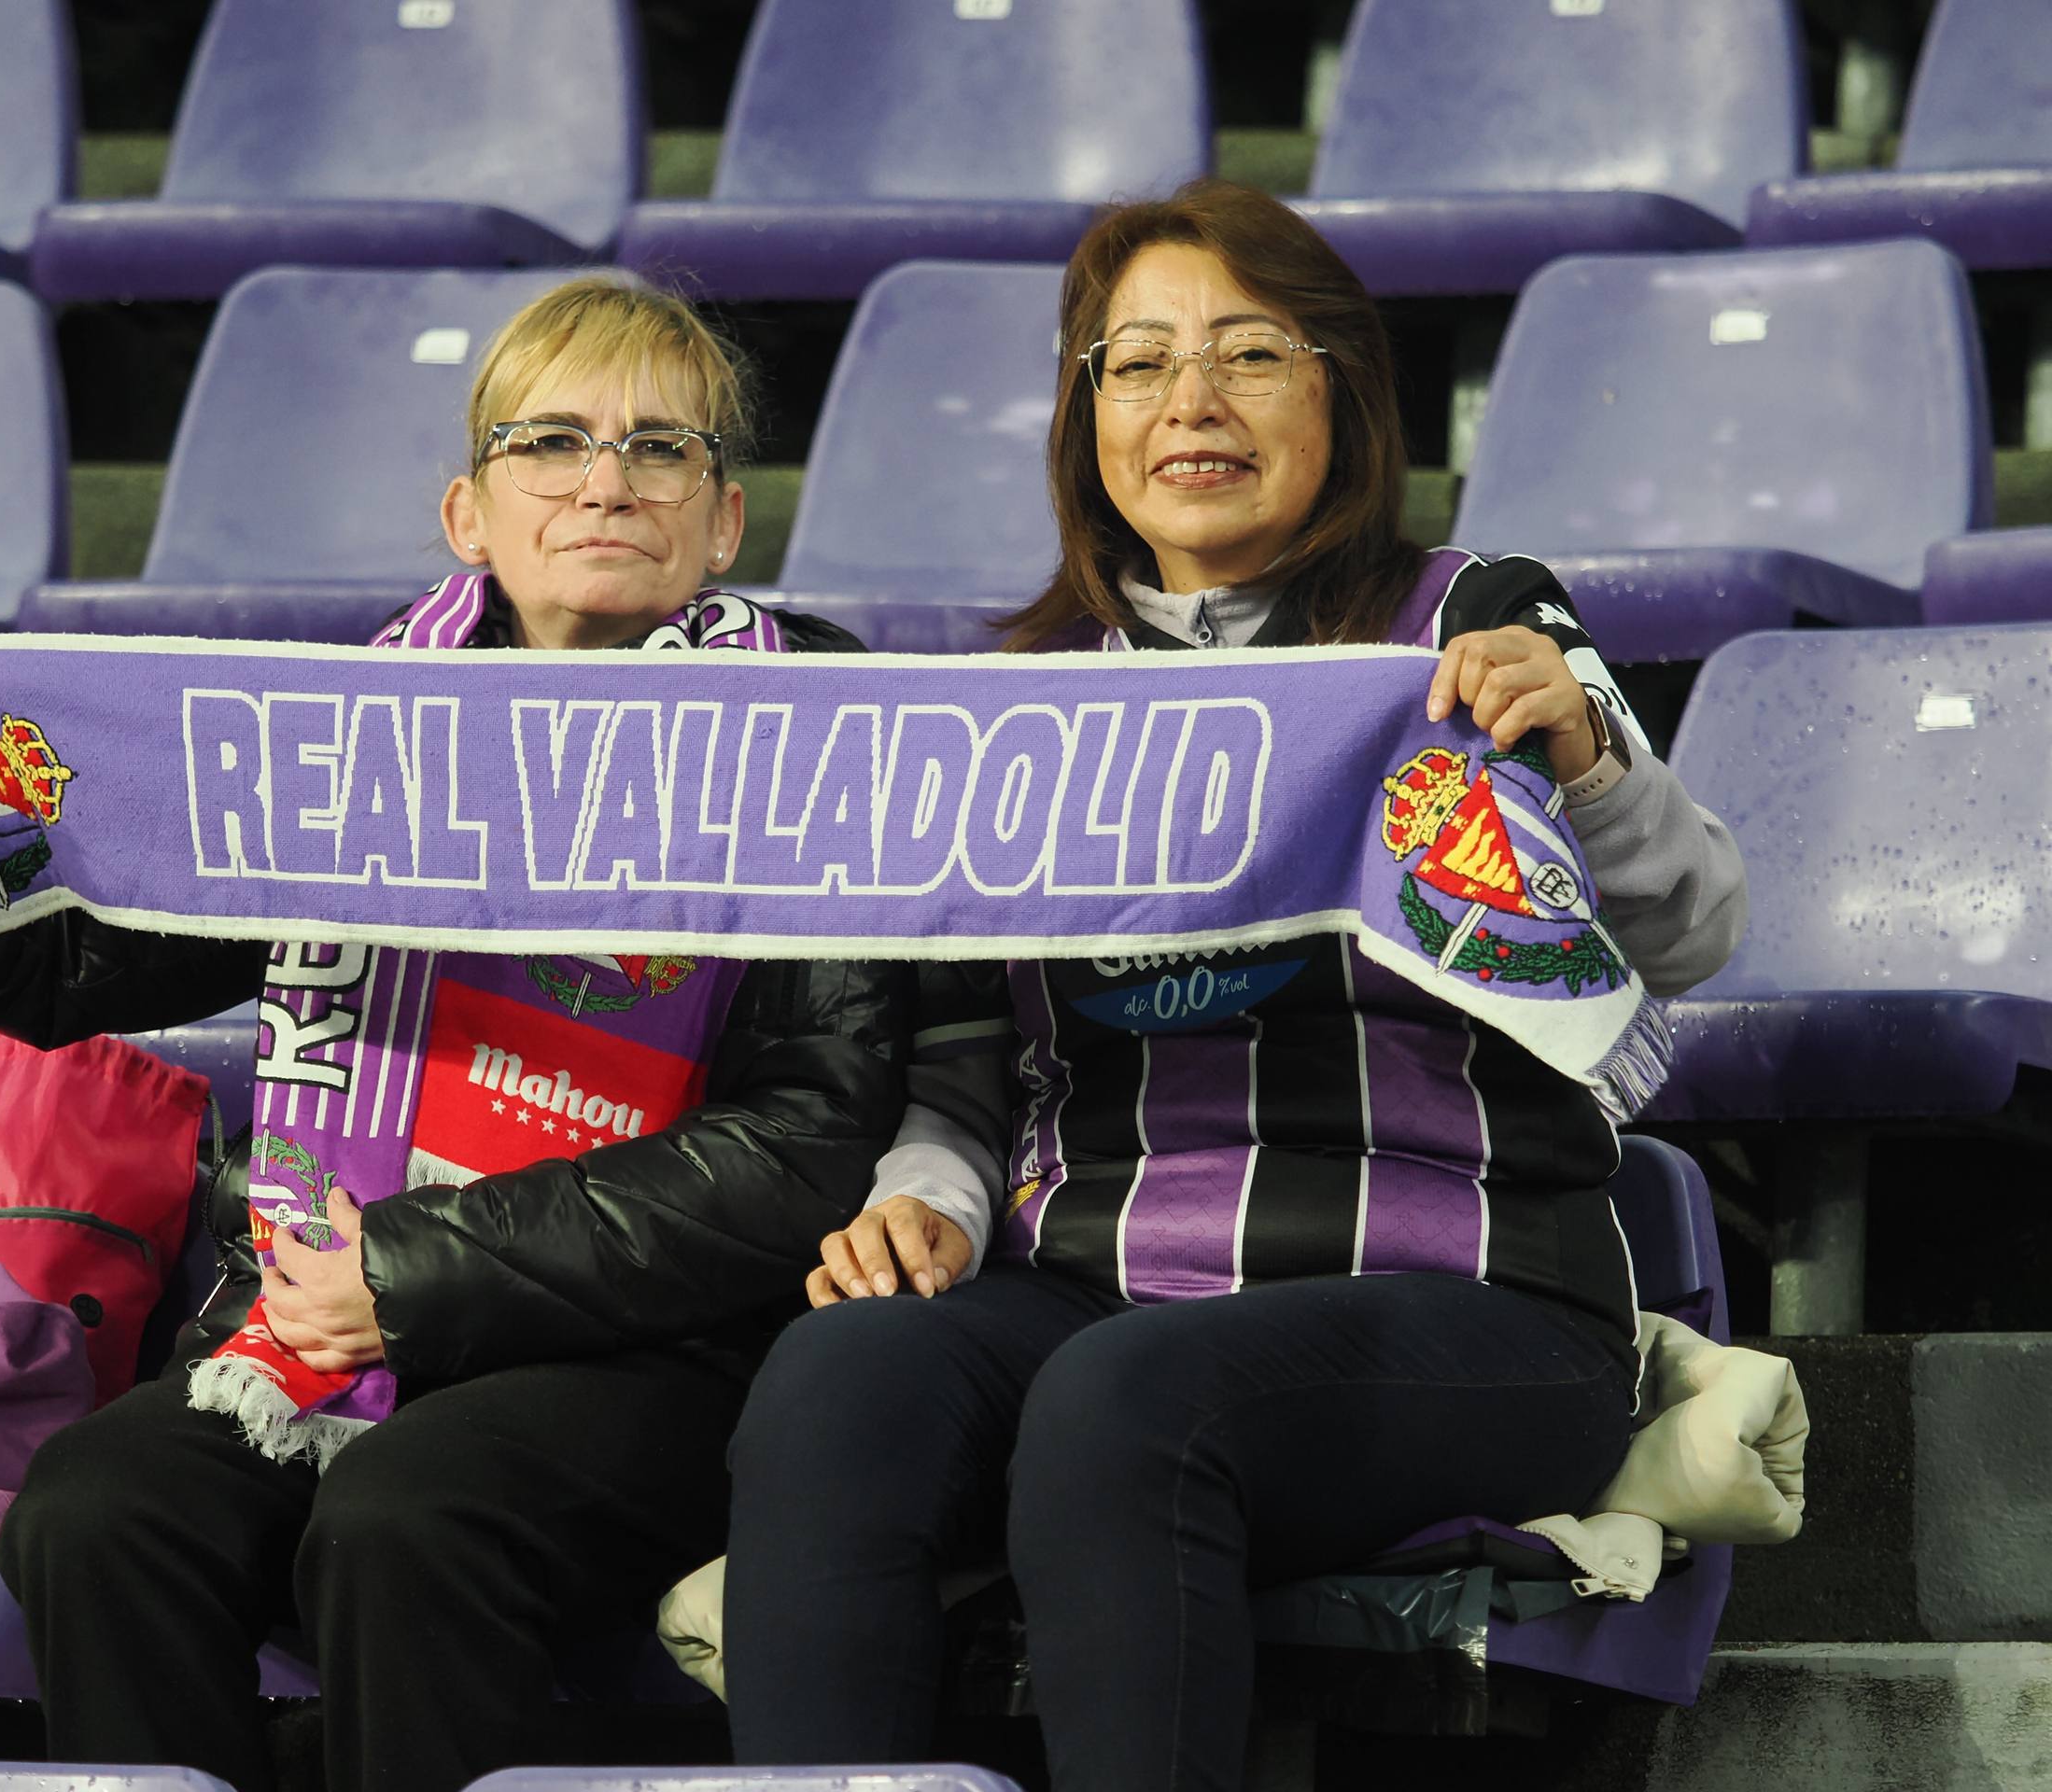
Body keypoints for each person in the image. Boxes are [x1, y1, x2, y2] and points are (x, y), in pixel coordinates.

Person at [0, 278, 909, 1792]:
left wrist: (411, 1276)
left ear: (724, 523)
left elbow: (807, 1148)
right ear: (470, 513)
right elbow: (68, 971)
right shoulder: (344, 725)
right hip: (310, 1323)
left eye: (663, 449)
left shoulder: (821, 724)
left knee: (405, 1519)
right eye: (553, 444)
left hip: (666, 1350)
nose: (606, 482)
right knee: (92, 1509)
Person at [723, 182, 1749, 1791]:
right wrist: (929, 1182)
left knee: (1125, 1403)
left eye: (1250, 353)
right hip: (1097, 1270)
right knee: (837, 1385)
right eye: (1134, 365)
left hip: (1469, 1292)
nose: (1189, 402)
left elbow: (1689, 932)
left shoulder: (1472, 623)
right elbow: (971, 1052)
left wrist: (1592, 761)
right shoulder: (1026, 703)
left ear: (1341, 392)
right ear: (1086, 423)